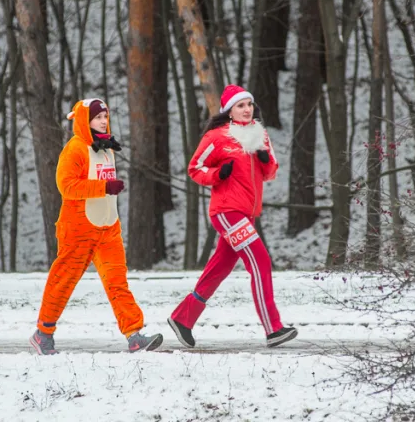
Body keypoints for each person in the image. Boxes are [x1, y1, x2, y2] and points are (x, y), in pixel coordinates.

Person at [29, 98, 163, 355]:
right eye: (98, 117)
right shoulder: (75, 149)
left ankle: (134, 335)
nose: (103, 121)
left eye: (105, 117)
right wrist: (104, 187)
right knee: (64, 281)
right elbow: (66, 186)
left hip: (107, 227)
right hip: (78, 228)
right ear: (84, 121)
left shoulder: (106, 149)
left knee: (117, 282)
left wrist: (109, 196)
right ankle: (43, 333)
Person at [168, 84, 297, 348]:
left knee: (220, 267)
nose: (247, 109)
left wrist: (263, 158)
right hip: (227, 212)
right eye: (241, 105)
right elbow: (195, 168)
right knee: (260, 261)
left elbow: (270, 172)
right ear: (229, 111)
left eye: (249, 104)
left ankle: (183, 318)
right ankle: (273, 328)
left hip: (246, 214)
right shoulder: (217, 136)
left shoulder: (260, 135)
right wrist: (217, 175)